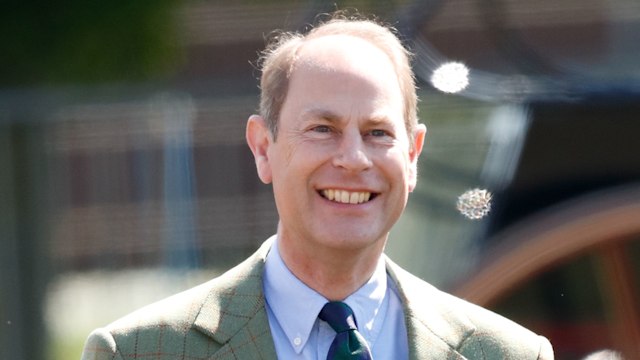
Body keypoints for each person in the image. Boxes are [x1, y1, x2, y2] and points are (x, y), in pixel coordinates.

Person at [82, 12, 554, 360]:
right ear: (263, 147)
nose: (352, 159)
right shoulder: (141, 353)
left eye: (378, 133)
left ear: (412, 156)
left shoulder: (509, 354)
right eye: (322, 129)